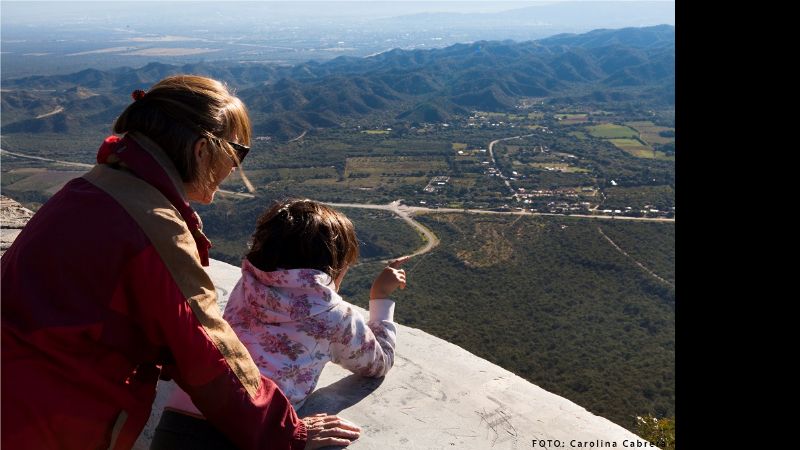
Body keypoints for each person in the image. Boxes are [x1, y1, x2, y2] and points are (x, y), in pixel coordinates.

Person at [1, 75, 360, 450]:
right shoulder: (153, 226)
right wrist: (289, 433)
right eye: (237, 152)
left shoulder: (87, 190)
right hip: (49, 420)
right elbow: (206, 350)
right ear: (203, 149)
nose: (235, 167)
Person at [152, 198, 408, 446]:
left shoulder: (247, 285)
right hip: (249, 432)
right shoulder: (335, 316)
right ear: (336, 269)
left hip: (177, 421)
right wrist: (380, 296)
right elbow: (378, 363)